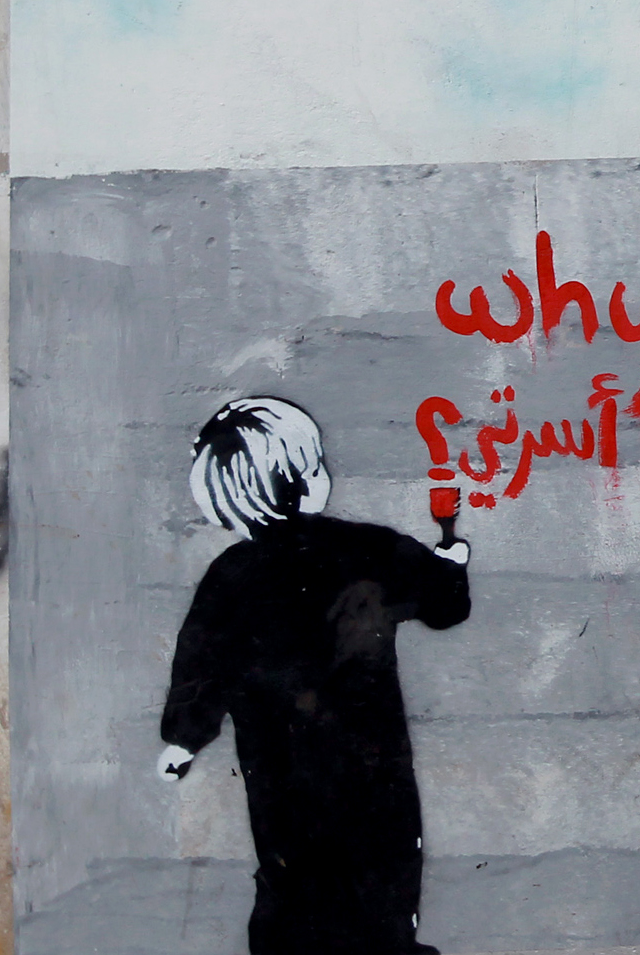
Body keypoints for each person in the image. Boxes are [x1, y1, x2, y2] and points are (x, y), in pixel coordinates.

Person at [157, 396, 472, 955]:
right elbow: (444, 606)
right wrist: (452, 561)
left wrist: (184, 739)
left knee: (289, 885)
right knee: (383, 886)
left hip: (279, 775)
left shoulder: (230, 575)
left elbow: (201, 663)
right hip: (372, 768)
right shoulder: (367, 549)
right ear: (305, 478)